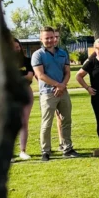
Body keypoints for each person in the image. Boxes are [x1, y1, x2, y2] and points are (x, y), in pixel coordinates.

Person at [32, 26, 79, 160]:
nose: (50, 40)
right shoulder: (38, 55)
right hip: (47, 93)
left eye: (52, 37)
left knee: (66, 120)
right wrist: (58, 85)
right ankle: (45, 151)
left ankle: (67, 148)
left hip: (63, 92)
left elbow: (67, 72)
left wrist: (62, 85)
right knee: (47, 123)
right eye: (47, 38)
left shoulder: (63, 53)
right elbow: (40, 75)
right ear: (41, 39)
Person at [13, 37, 34, 160]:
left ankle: (22, 151)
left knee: (24, 122)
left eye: (17, 47)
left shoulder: (27, 61)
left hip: (26, 92)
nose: (16, 49)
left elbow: (30, 77)